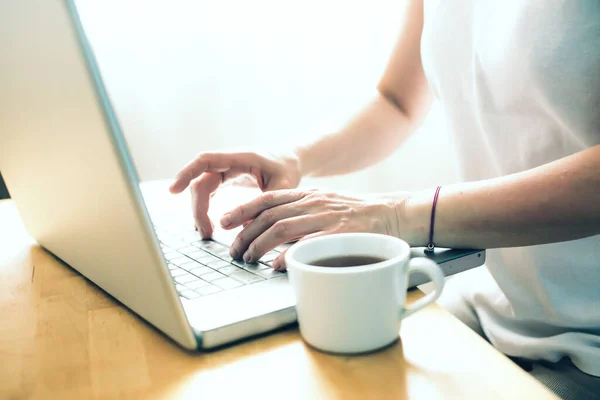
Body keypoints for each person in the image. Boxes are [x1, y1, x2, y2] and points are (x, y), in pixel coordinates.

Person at [170, 1, 600, 397]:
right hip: (496, 302)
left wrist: (394, 215)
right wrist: (292, 157)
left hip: (584, 344)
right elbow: (397, 101)